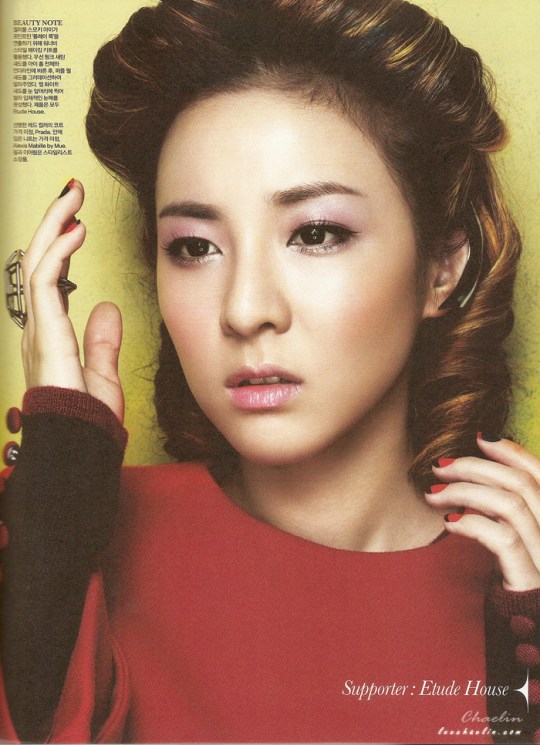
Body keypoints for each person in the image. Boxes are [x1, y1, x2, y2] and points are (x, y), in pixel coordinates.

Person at [1, 0, 539, 742]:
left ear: (442, 267)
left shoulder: (518, 591)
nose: (245, 309)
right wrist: (55, 500)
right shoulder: (64, 536)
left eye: (316, 233)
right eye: (194, 247)